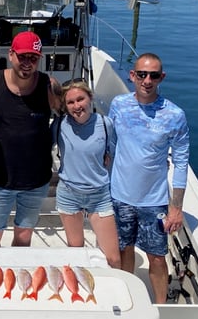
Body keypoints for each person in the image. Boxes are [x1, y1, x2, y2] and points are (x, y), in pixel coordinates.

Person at [109, 53, 189, 303]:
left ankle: (160, 305)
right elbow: (110, 146)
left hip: (154, 201)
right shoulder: (118, 104)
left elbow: (181, 162)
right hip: (120, 195)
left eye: (153, 75)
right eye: (141, 74)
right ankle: (126, 297)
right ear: (132, 75)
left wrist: (176, 208)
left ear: (161, 77)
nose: (147, 80)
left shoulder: (175, 115)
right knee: (125, 249)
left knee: (156, 256)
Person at [0, 31, 53, 247]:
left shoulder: (50, 86)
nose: (27, 63)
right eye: (23, 56)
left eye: (33, 58)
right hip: (0, 180)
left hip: (37, 180)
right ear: (11, 55)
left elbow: (68, 116)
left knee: (24, 238)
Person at [52, 81, 121, 268]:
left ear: (90, 98)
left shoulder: (106, 124)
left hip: (100, 196)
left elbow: (113, 152)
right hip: (69, 194)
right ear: (65, 106)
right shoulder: (59, 125)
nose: (77, 106)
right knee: (76, 253)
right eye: (70, 102)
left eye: (80, 99)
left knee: (113, 257)